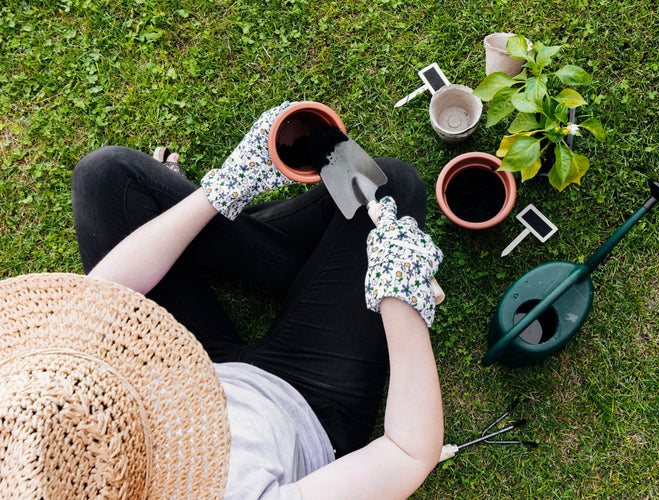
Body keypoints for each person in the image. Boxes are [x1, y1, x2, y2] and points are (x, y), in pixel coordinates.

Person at [55, 101, 443, 498]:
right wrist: (398, 290)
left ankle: (267, 253)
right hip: (311, 405)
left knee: (106, 178)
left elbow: (102, 295)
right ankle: (307, 269)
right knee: (391, 184)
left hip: (186, 363)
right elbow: (407, 452)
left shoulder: (34, 412)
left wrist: (221, 189)